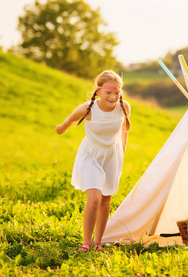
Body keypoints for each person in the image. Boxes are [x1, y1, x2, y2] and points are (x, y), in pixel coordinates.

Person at [55, 70, 131, 252]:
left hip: (112, 155)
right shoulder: (87, 109)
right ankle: (86, 243)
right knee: (95, 197)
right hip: (90, 154)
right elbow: (68, 121)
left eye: (117, 92)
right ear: (98, 91)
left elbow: (125, 129)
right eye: (108, 92)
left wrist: (122, 148)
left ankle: (98, 242)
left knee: (106, 199)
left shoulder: (124, 107)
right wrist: (61, 128)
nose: (113, 97)